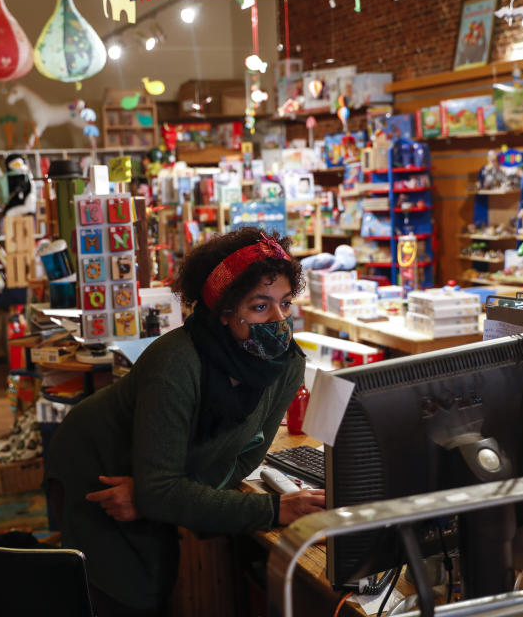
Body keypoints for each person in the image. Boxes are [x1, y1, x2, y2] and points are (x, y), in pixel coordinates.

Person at [45, 228, 325, 617]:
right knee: (124, 591)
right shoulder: (176, 362)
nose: (279, 320)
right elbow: (165, 488)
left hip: (152, 472)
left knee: (156, 577)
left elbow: (239, 461)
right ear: (225, 311)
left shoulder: (286, 365)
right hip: (97, 464)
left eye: (285, 303)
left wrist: (155, 496)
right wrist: (274, 510)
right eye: (261, 306)